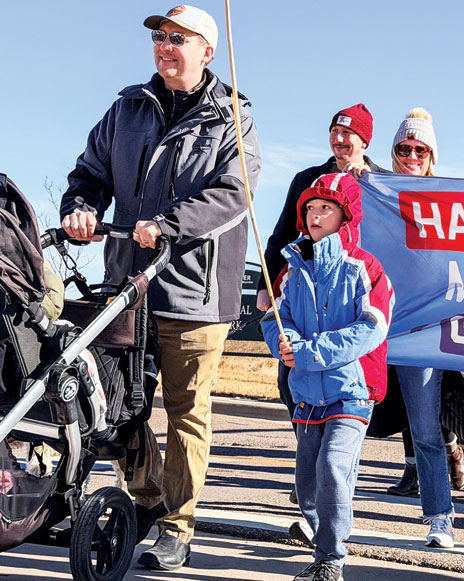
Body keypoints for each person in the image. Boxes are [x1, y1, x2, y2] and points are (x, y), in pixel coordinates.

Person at [60, 5, 261, 570]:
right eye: (160, 38)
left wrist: (168, 225)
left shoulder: (232, 119)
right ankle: (146, 499)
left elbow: (232, 193)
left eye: (178, 38)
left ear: (207, 52)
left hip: (194, 291)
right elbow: (89, 173)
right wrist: (79, 208)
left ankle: (179, 524)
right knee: (121, 406)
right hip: (127, 284)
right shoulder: (127, 109)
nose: (165, 46)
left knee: (186, 410)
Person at [261, 172, 393, 581]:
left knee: (334, 467)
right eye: (311, 208)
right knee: (307, 484)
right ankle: (324, 538)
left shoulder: (365, 268)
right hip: (306, 395)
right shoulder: (290, 270)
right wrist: (284, 344)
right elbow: (274, 319)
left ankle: (330, 560)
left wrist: (308, 353)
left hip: (352, 392)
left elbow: (372, 327)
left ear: (345, 216)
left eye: (327, 209)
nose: (316, 216)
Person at [257, 103, 388, 432]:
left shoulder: (384, 184)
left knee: (352, 383)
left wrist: (367, 184)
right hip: (306, 290)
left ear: (364, 142)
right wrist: (267, 285)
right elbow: (283, 234)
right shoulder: (305, 179)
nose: (339, 139)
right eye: (334, 132)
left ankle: (338, 460)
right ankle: (307, 464)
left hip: (357, 294)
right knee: (291, 379)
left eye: (348, 133)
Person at [382, 109, 464, 498]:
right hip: (382, 318)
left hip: (430, 324)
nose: (412, 156)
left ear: (432, 156)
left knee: (427, 414)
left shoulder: (447, 198)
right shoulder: (376, 191)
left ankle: (439, 512)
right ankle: (328, 515)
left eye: (420, 149)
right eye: (404, 147)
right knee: (379, 410)